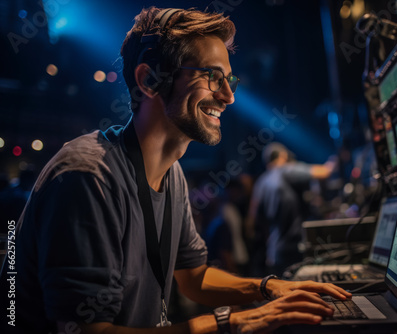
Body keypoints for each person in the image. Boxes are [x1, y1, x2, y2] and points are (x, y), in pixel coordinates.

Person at [0, 7, 351, 334]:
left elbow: (193, 278)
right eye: (213, 77)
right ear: (150, 80)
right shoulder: (88, 176)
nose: (228, 96)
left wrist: (268, 287)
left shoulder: (172, 175)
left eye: (230, 80)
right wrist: (234, 321)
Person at [248, 142, 337, 276]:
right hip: (294, 250)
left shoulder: (261, 182)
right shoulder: (286, 169)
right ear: (283, 156)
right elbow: (324, 172)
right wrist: (336, 159)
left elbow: (253, 219)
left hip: (274, 252)